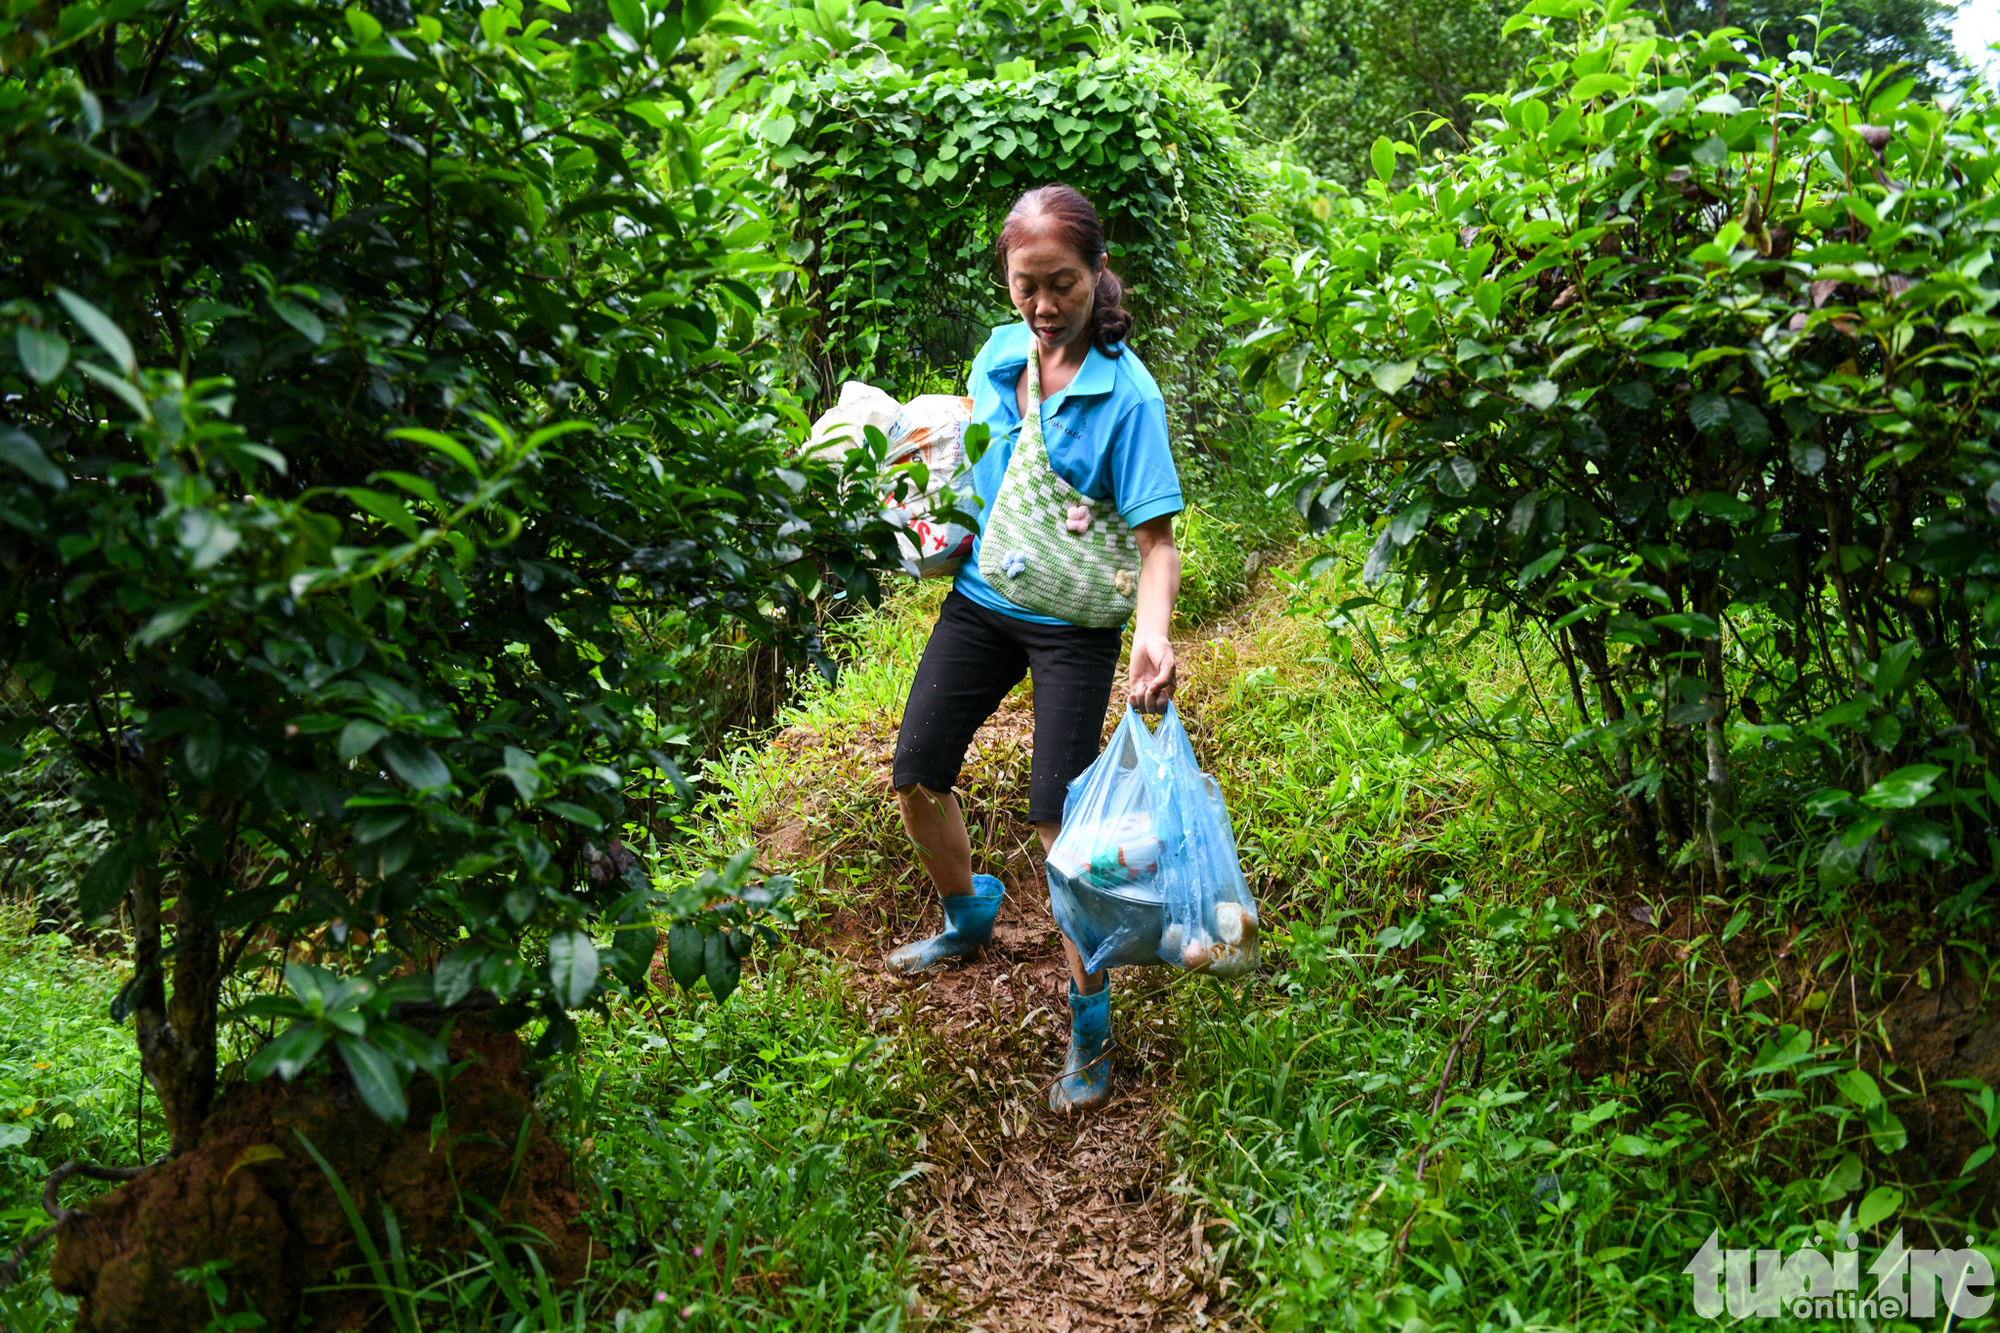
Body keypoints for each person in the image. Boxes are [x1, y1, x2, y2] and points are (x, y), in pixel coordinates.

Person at [886, 184, 1182, 1113]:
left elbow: (1157, 543)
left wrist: (1154, 637)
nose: (1045, 307)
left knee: (1061, 826)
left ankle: (1089, 1023)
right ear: (1007, 283)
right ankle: (968, 910)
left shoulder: (1125, 394)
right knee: (916, 771)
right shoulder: (1000, 353)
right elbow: (973, 451)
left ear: (1097, 274)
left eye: (1062, 284)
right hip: (983, 601)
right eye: (1027, 287)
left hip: (1073, 626)